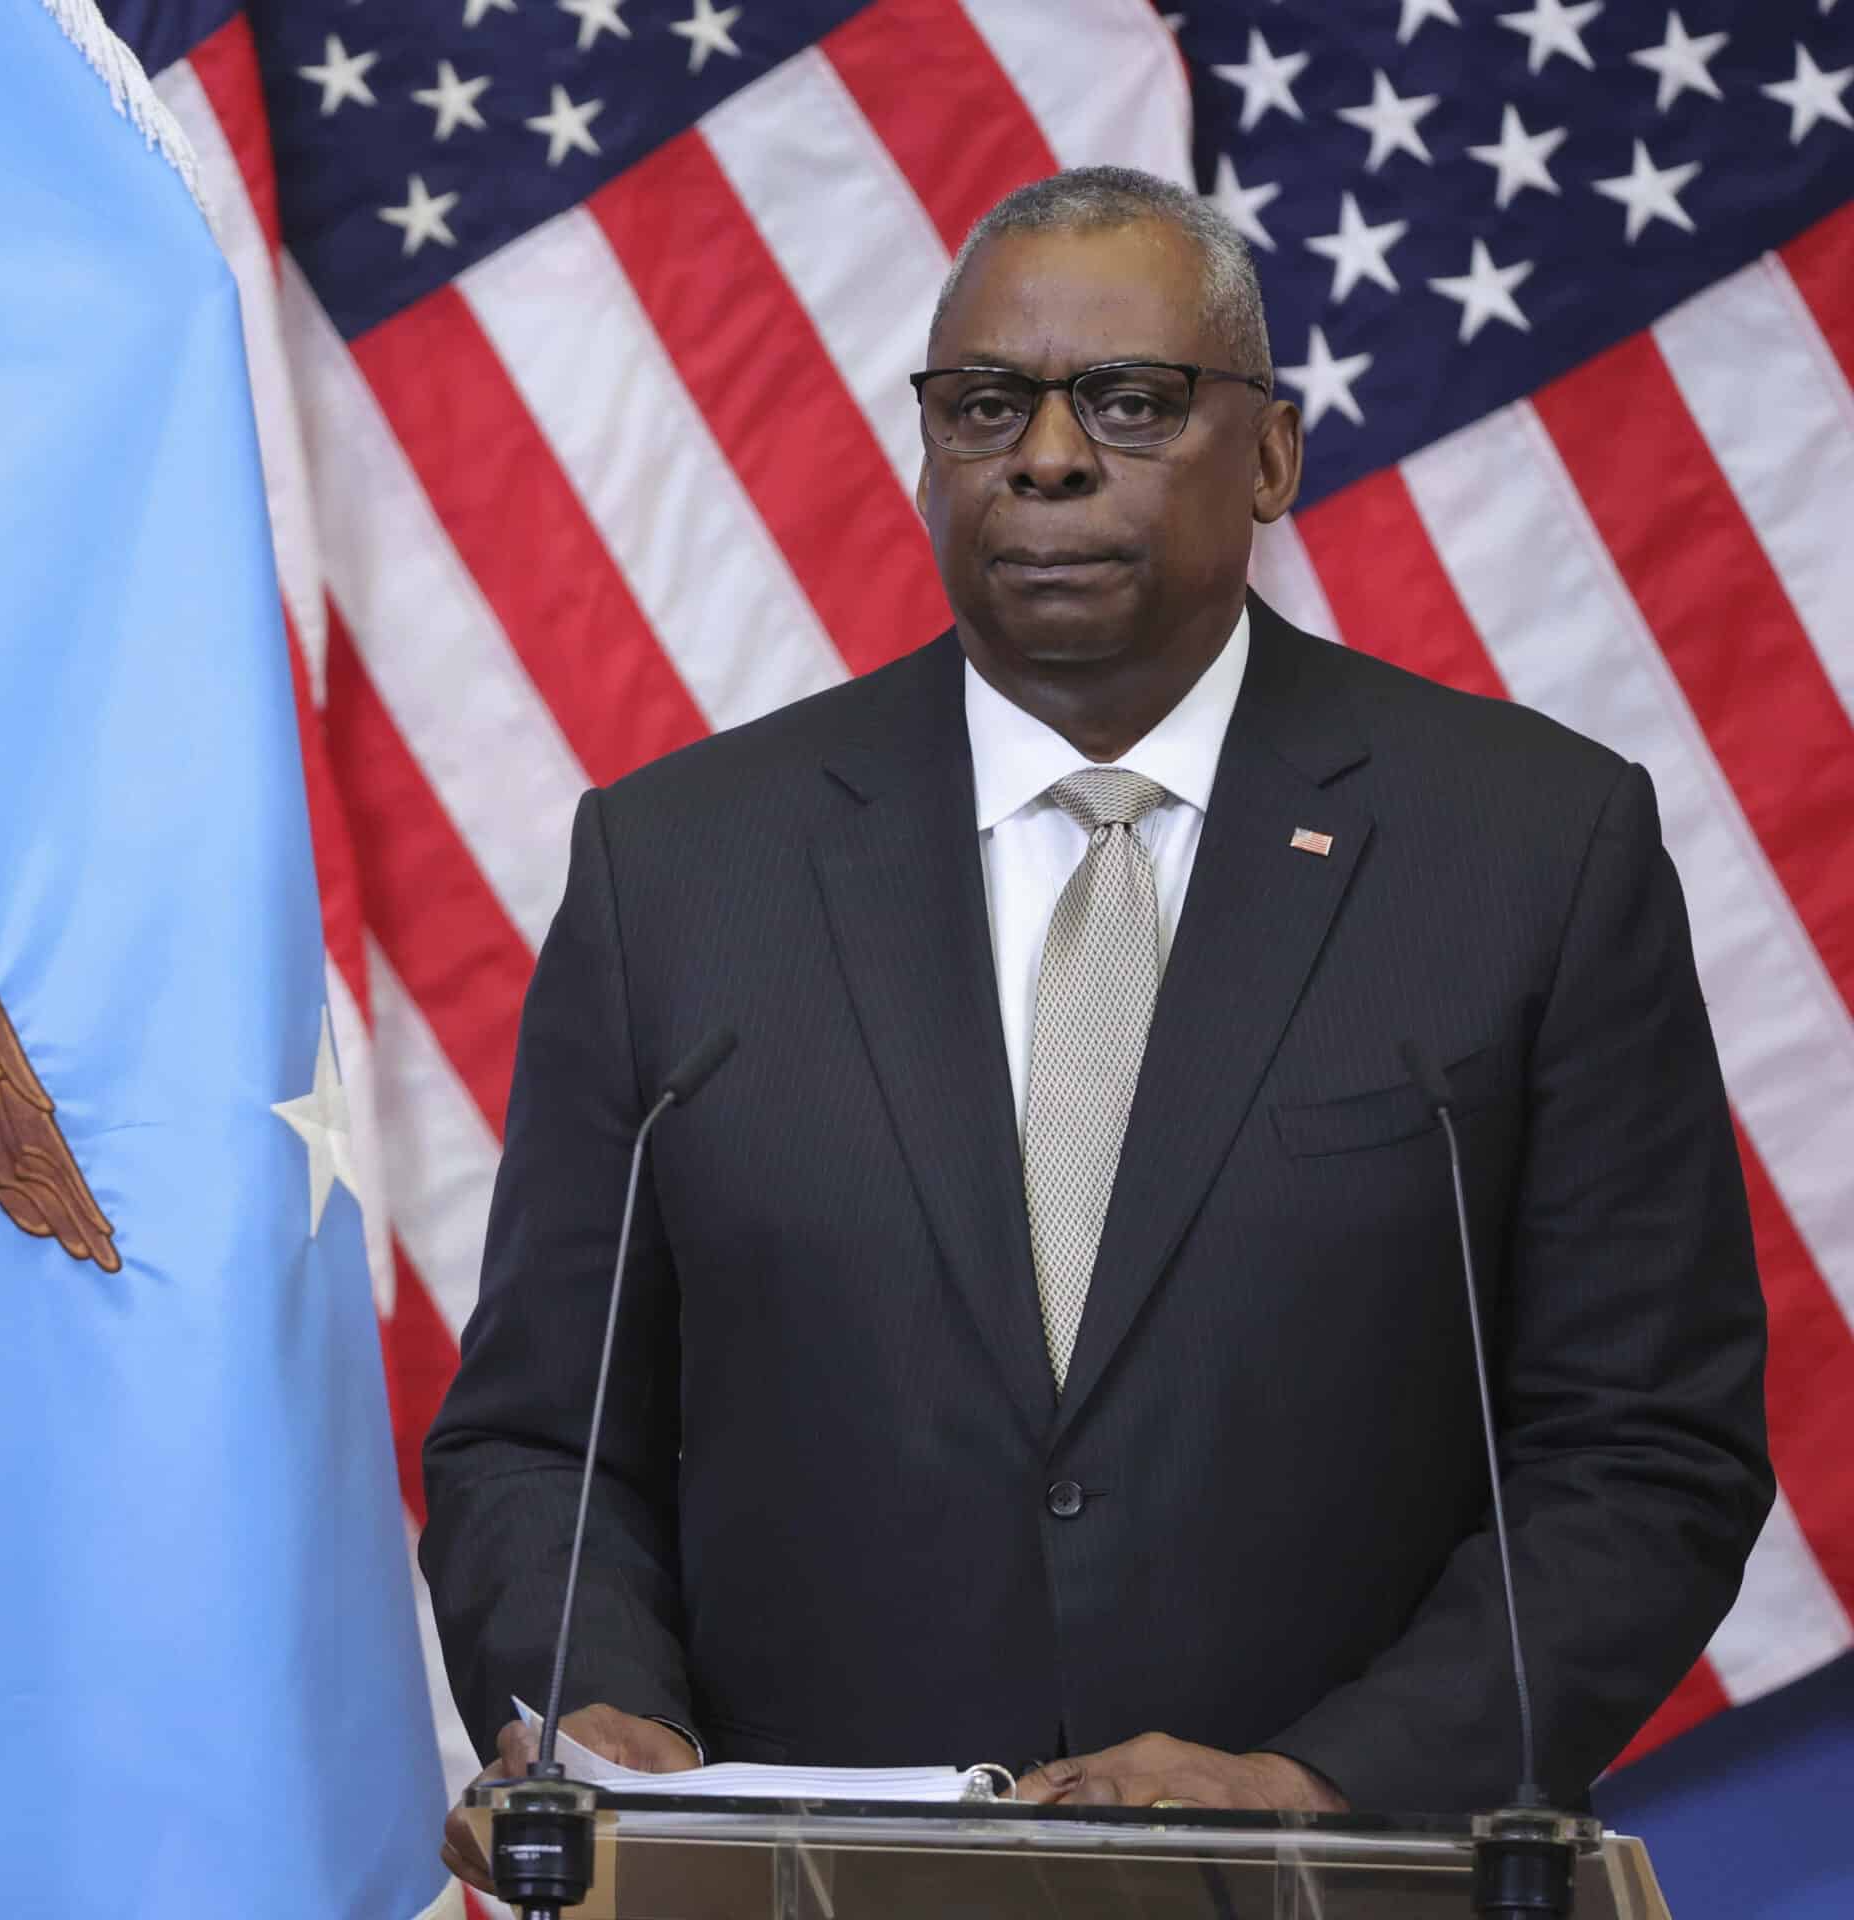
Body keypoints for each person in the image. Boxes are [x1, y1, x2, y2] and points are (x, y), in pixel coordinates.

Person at [422, 166, 1771, 1887]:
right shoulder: (682, 867)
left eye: (1130, 404)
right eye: (986, 404)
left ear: (1273, 455)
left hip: (1344, 1888)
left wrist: (1325, 1782)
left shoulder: (1526, 851)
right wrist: (607, 1718)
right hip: (800, 1890)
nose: (1047, 457)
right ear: (929, 455)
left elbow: (1643, 1449)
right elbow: (546, 1436)